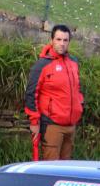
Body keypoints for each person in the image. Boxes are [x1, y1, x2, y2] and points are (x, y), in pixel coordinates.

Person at [25, 24, 82, 161]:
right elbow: (31, 93)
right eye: (58, 39)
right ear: (52, 40)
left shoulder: (73, 63)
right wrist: (34, 121)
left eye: (65, 40)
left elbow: (77, 89)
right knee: (50, 169)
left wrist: (80, 104)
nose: (62, 43)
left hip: (71, 125)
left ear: (69, 42)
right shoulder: (42, 65)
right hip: (52, 125)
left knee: (65, 170)